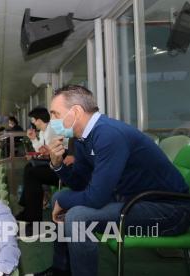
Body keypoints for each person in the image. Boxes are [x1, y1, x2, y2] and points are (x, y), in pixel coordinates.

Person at [43, 85, 190, 276]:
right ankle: (61, 270)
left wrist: (64, 202)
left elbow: (96, 198)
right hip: (133, 200)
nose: (52, 121)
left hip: (169, 211)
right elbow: (79, 183)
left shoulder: (109, 134)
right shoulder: (82, 139)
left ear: (76, 111)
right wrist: (58, 165)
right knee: (59, 198)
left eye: (55, 114)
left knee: (78, 217)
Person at [17, 107, 74, 224]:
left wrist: (46, 151)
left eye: (33, 119)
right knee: (29, 168)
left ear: (38, 119)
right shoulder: (44, 132)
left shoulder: (52, 130)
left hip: (60, 169)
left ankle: (33, 216)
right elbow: (43, 150)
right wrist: (33, 139)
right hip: (53, 164)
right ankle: (28, 208)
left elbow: (59, 150)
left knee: (32, 173)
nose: (32, 122)